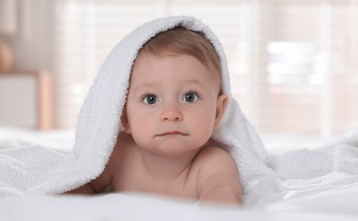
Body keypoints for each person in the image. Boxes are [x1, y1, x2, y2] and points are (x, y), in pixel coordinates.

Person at [68, 26, 243, 205]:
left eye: (190, 97)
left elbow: (223, 201)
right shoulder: (117, 156)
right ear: (126, 118)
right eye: (151, 99)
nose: (171, 114)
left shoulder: (211, 163)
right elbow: (77, 185)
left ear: (217, 111)